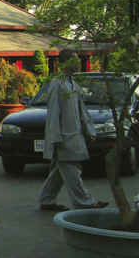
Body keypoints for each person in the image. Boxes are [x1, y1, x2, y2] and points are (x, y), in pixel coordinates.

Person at [38, 50, 108, 211]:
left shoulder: (73, 84)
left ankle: (46, 199)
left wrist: (89, 130)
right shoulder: (57, 84)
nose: (78, 63)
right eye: (75, 60)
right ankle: (85, 202)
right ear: (66, 62)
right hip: (64, 137)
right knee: (72, 170)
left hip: (75, 135)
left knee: (59, 171)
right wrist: (55, 137)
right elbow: (54, 113)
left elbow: (81, 111)